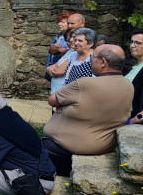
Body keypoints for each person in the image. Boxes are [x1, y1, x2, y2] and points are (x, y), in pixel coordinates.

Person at [43, 45, 134, 176]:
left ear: (103, 62)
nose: (90, 60)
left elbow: (52, 100)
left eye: (93, 57)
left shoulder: (85, 84)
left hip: (66, 148)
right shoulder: (128, 85)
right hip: (103, 146)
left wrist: (64, 106)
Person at [46, 28, 76, 95]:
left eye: (73, 38)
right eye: (67, 40)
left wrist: (54, 70)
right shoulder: (70, 52)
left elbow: (58, 71)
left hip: (64, 92)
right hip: (56, 91)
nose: (70, 41)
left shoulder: (76, 54)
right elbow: (49, 68)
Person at [46, 12, 71, 81]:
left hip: (61, 70)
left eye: (62, 22)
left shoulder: (71, 38)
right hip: (52, 67)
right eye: (59, 22)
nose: (59, 24)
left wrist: (60, 51)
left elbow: (71, 53)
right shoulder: (58, 36)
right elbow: (51, 50)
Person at [126, 29, 143, 124]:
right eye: (132, 42)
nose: (132, 45)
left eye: (138, 43)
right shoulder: (135, 67)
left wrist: (135, 120)